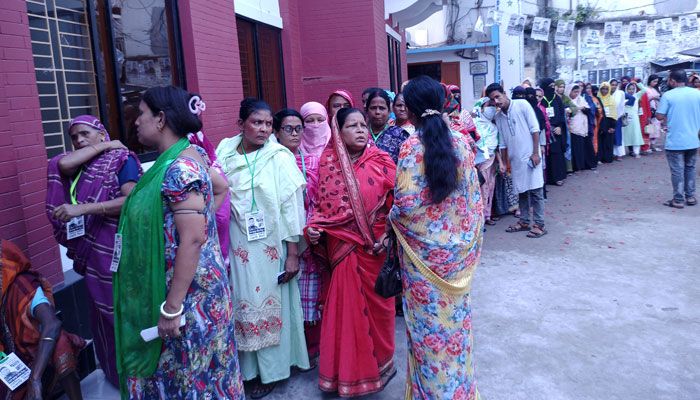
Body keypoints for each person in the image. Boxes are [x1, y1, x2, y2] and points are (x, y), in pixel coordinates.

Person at [113, 86, 244, 398]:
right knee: (200, 375)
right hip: (194, 287)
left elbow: (193, 238)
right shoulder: (190, 154)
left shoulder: (180, 168)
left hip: (190, 297)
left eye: (141, 114)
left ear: (160, 119)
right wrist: (203, 223)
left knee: (191, 377)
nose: (136, 121)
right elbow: (220, 186)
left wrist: (172, 308)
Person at [392, 76, 484, 398]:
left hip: (422, 264)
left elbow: (405, 206)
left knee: (427, 333)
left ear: (409, 111)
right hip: (458, 259)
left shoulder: (410, 147)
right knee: (456, 330)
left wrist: (391, 218)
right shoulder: (461, 143)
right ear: (443, 103)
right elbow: (474, 199)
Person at [217, 98, 309, 398]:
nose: (264, 129)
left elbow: (291, 209)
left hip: (272, 246)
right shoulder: (224, 151)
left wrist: (292, 254)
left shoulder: (279, 157)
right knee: (241, 304)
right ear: (240, 124)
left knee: (272, 304)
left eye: (268, 124)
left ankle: (272, 372)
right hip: (237, 244)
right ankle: (247, 371)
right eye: (257, 122)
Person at [306, 107, 397, 397]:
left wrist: (387, 236)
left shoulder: (381, 160)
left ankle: (380, 367)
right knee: (346, 315)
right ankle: (346, 375)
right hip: (344, 249)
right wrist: (314, 230)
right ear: (338, 131)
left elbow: (398, 203)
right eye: (352, 126)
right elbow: (322, 209)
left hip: (376, 249)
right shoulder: (328, 165)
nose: (360, 130)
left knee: (379, 312)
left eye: (362, 125)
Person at [44, 115, 141, 387]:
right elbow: (61, 164)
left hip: (117, 250)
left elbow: (131, 201)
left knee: (123, 312)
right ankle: (115, 373)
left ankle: (139, 373)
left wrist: (84, 209)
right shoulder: (78, 166)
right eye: (74, 137)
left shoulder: (122, 160)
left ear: (102, 132)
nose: (79, 140)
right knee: (101, 316)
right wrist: (105, 145)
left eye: (85, 133)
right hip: (91, 257)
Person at [274, 103, 328, 366]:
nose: (296, 134)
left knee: (310, 289)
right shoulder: (271, 161)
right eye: (289, 129)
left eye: (299, 128)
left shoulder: (316, 160)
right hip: (277, 235)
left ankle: (311, 347)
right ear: (277, 132)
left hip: (309, 233)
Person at [0, 240, 86, 400]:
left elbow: (52, 324)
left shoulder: (22, 284)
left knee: (61, 343)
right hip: (8, 356)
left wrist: (35, 378)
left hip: (35, 353)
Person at [488, 83, 546, 237]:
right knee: (522, 191)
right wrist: (504, 163)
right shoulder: (498, 117)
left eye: (497, 97)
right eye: (492, 100)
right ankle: (524, 221)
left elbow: (535, 129)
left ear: (504, 93)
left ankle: (539, 225)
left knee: (536, 191)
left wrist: (535, 153)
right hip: (515, 160)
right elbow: (503, 143)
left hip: (530, 156)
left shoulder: (522, 105)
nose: (496, 102)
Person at [655, 69, 700, 208]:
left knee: (677, 171)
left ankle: (678, 199)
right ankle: (690, 197)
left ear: (673, 81)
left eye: (669, 79)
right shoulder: (697, 93)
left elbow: (659, 116)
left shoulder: (668, 95)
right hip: (693, 139)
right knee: (690, 168)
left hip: (675, 140)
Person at [473, 97, 501, 226]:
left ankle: (487, 214)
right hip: (478, 161)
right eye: (489, 105)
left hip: (491, 160)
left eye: (494, 106)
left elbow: (496, 146)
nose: (492, 108)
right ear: (481, 108)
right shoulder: (473, 124)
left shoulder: (494, 126)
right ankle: (479, 216)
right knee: (481, 187)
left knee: (490, 187)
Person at [365, 88, 410, 164]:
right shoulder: (361, 134)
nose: (377, 112)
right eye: (373, 108)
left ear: (389, 111)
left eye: (382, 108)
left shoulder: (400, 135)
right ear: (367, 111)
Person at [539, 78, 567, 185]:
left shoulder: (557, 99)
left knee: (556, 153)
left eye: (553, 86)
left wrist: (559, 126)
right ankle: (547, 178)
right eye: (549, 86)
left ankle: (558, 177)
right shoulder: (541, 99)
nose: (552, 88)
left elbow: (561, 114)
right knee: (546, 154)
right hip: (545, 130)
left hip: (556, 131)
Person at [566, 84, 596, 171]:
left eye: (577, 92)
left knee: (585, 145)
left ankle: (587, 164)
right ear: (569, 91)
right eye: (574, 92)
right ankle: (577, 166)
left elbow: (588, 109)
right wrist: (575, 109)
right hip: (573, 126)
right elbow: (568, 113)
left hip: (583, 126)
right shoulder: (567, 101)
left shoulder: (581, 99)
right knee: (576, 147)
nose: (576, 94)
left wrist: (583, 108)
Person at [621, 81, 646, 158]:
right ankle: (627, 151)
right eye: (629, 89)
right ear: (626, 89)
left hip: (635, 119)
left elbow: (644, 90)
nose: (631, 91)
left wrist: (637, 83)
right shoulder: (623, 96)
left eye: (632, 89)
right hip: (625, 118)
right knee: (626, 135)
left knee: (635, 134)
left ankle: (636, 152)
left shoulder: (636, 95)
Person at [639, 74, 662, 153]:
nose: (655, 83)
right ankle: (647, 145)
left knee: (656, 127)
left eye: (656, 82)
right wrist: (652, 98)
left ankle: (653, 145)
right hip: (649, 110)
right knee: (650, 127)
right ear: (650, 81)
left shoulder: (657, 89)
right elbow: (644, 101)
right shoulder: (645, 89)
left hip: (656, 110)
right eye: (654, 81)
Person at [597, 82, 618, 163]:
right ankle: (600, 158)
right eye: (603, 89)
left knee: (608, 141)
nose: (604, 91)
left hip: (609, 122)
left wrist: (613, 126)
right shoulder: (598, 99)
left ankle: (607, 158)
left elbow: (614, 114)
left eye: (606, 89)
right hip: (600, 122)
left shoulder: (611, 100)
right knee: (600, 141)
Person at [610, 78, 627, 160]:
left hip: (618, 117)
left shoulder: (620, 93)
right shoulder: (606, 93)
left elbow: (623, 103)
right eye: (612, 85)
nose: (614, 86)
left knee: (618, 136)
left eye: (615, 85)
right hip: (608, 117)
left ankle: (620, 154)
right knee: (610, 135)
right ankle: (612, 153)